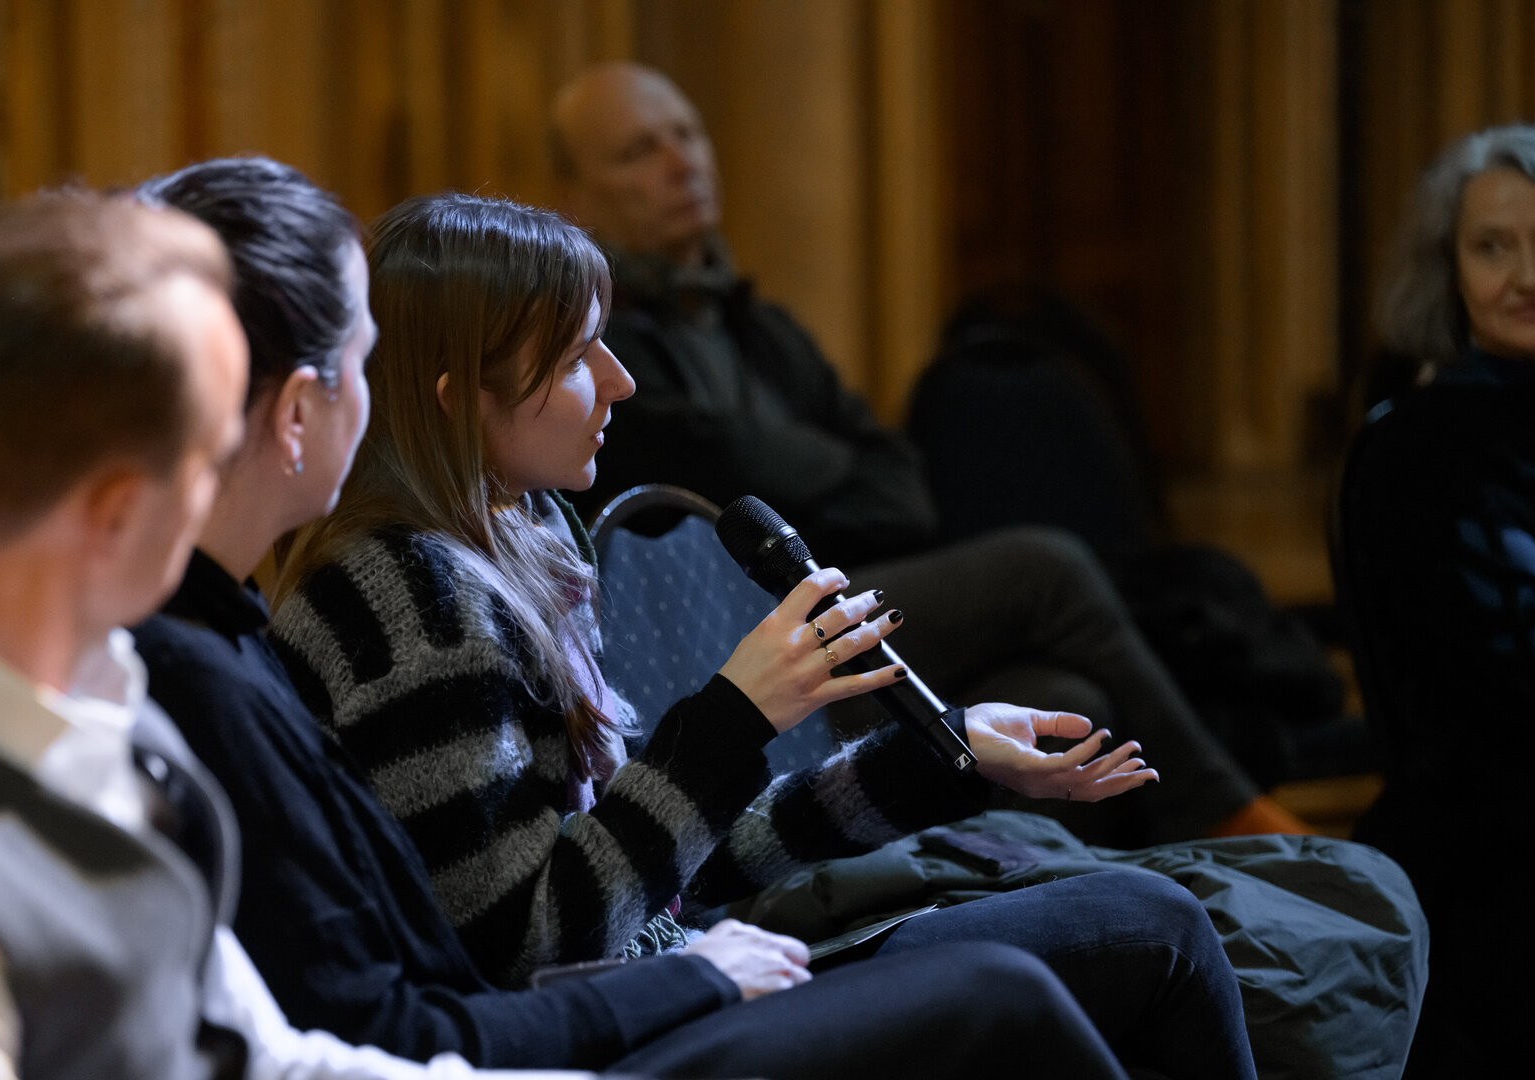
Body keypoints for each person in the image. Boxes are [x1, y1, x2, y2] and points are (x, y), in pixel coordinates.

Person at [130, 156, 1155, 1079]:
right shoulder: (409, 596)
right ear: (456, 402)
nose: (619, 382)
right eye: (577, 358)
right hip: (617, 1027)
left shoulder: (516, 538)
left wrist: (941, 755)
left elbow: (670, 874)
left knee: (1141, 919)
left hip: (662, 983)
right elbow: (531, 948)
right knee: (1133, 934)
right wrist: (729, 722)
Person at [0, 190, 587, 1080]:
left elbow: (266, 1060)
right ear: (118, 511)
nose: (224, 499)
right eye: (206, 461)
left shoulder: (92, 687)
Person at [547, 63, 1310, 844]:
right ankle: (1229, 815)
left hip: (843, 609)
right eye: (639, 151)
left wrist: (794, 468)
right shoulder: (600, 354)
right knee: (1042, 569)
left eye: (687, 133)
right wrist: (806, 469)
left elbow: (902, 490)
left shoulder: (761, 328)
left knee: (1060, 695)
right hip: (735, 660)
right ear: (575, 194)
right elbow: (738, 476)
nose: (683, 163)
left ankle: (997, 914)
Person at [1346, 122, 1535, 1076]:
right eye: (1493, 246)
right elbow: (1523, 685)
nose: (1529, 274)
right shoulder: (1418, 447)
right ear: (1448, 273)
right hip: (1507, 846)